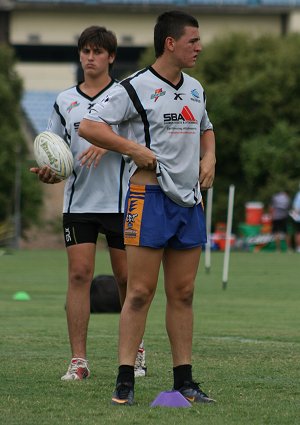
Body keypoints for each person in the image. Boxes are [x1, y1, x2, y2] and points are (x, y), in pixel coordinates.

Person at [79, 11, 216, 405]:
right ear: (170, 43)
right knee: (139, 292)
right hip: (148, 198)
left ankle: (185, 381)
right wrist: (133, 149)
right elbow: (90, 126)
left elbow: (206, 127)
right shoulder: (134, 87)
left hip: (188, 200)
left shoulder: (195, 88)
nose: (199, 47)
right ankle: (125, 379)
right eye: (193, 40)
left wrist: (209, 159)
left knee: (184, 292)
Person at [30, 26, 147, 380]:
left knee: (127, 278)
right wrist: (50, 173)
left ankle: (136, 350)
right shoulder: (64, 101)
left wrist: (105, 139)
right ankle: (78, 361)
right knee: (79, 275)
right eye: (85, 51)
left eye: (97, 51)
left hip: (120, 202)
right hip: (79, 204)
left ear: (111, 56)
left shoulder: (125, 95)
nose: (90, 57)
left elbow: (138, 141)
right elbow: (56, 152)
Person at [289, 183, 300, 253]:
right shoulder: (299, 195)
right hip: (298, 217)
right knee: (298, 233)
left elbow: (295, 207)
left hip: (297, 217)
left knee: (298, 232)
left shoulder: (298, 195)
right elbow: (296, 208)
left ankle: (298, 247)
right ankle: (298, 247)